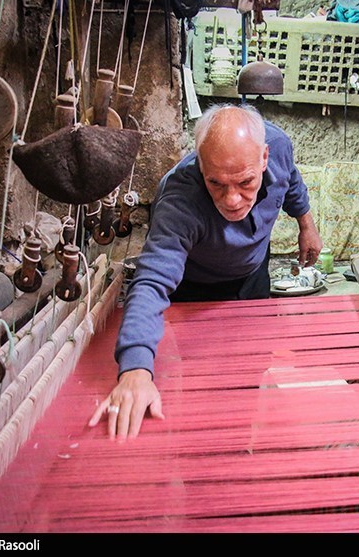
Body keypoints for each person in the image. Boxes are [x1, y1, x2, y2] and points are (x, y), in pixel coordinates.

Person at [88, 103, 322, 441]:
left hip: (251, 276)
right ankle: (200, 448)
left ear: (264, 157)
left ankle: (238, 443)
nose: (231, 200)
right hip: (196, 287)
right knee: (204, 378)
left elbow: (291, 181)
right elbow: (152, 281)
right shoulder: (179, 200)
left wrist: (306, 225)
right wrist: (136, 370)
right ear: (200, 163)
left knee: (249, 369)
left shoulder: (279, 146)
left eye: (246, 182)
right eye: (216, 183)